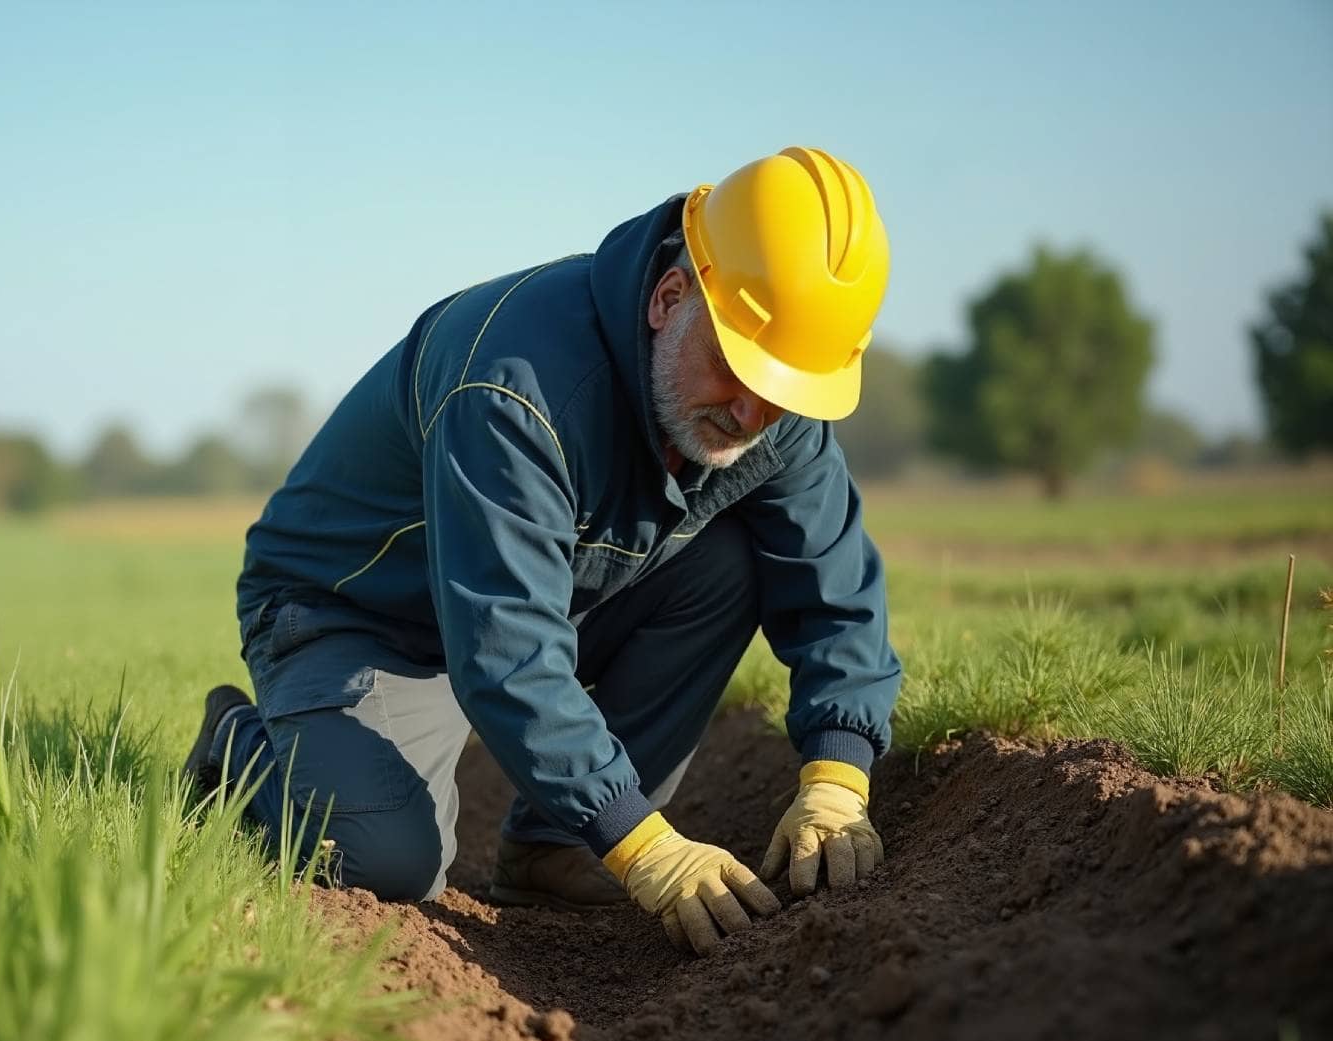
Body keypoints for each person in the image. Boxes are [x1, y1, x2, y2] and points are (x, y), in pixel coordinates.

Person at [183, 147, 901, 956]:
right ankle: (239, 750)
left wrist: (838, 777)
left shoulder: (774, 402)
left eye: (783, 389)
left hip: (535, 593)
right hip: (359, 614)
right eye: (736, 366)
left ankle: (554, 850)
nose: (749, 410)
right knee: (386, 863)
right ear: (670, 297)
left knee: (732, 564)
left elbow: (831, 582)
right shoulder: (513, 386)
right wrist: (645, 845)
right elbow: (510, 650)